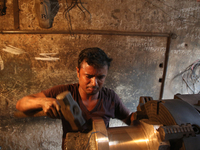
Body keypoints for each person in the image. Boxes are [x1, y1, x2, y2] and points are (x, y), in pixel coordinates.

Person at [16, 47, 136, 149]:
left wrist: (143, 116)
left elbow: (129, 119)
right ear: (78, 72)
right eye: (89, 76)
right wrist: (43, 102)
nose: (94, 83)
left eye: (100, 77)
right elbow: (21, 104)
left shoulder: (110, 97)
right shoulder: (64, 92)